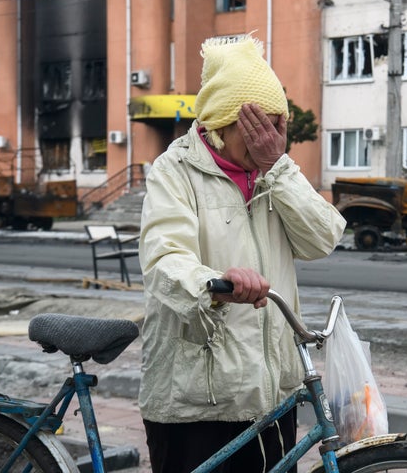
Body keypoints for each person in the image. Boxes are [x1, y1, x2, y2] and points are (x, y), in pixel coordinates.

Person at [138, 34, 346, 473]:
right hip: (201, 396)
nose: (266, 140)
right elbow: (163, 261)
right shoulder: (174, 172)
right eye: (255, 128)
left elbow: (322, 238)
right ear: (220, 124)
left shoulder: (274, 175)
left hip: (273, 393)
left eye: (275, 126)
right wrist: (214, 285)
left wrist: (281, 166)